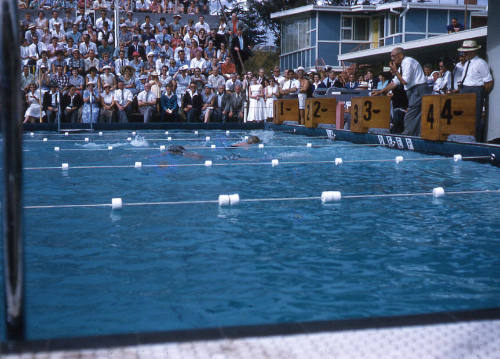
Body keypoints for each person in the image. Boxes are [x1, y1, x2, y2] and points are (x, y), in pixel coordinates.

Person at [372, 47, 427, 137]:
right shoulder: (402, 65)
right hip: (414, 90)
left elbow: (404, 81)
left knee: (410, 114)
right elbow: (395, 82)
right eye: (391, 56)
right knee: (416, 115)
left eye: (393, 56)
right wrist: (380, 92)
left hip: (418, 89)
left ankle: (408, 135)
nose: (392, 59)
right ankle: (416, 135)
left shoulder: (408, 62)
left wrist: (395, 71)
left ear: (400, 55)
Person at [457, 40, 493, 142]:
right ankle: (465, 140)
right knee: (464, 118)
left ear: (474, 51)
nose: (464, 53)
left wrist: (480, 94)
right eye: (464, 52)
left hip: (476, 91)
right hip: (465, 91)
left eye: (466, 51)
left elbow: (488, 82)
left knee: (474, 119)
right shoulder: (467, 63)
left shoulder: (481, 63)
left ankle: (474, 140)